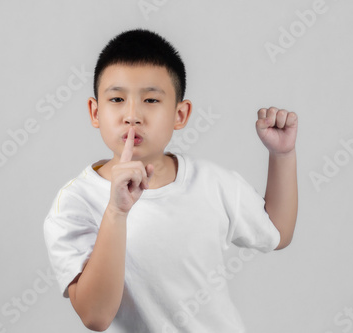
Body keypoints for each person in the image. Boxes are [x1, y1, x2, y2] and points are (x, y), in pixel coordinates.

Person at [43, 28, 298, 332]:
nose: (132, 115)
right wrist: (116, 211)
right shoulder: (74, 203)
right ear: (95, 112)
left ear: (180, 114)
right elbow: (96, 316)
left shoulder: (211, 183)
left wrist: (282, 155)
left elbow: (276, 232)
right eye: (117, 99)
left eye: (151, 100)